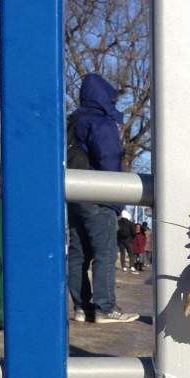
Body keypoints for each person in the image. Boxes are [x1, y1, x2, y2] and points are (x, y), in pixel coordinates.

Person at [66, 73, 139, 323]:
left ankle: (81, 306)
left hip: (73, 194)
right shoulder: (100, 122)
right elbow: (108, 160)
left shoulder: (73, 123)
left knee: (78, 252)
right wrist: (117, 199)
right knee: (105, 252)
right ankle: (105, 307)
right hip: (98, 195)